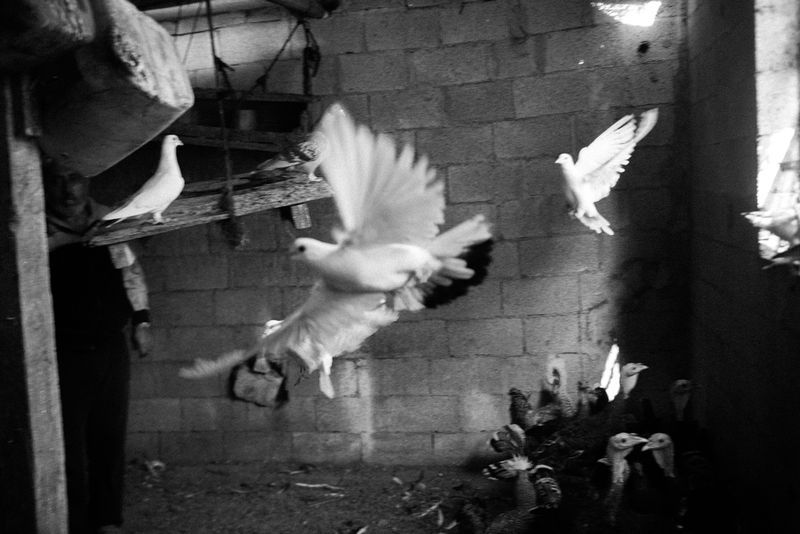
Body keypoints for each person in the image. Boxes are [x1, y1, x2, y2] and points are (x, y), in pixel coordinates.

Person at [43, 167, 152, 534]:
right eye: (57, 180)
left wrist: (141, 321)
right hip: (61, 353)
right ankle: (70, 521)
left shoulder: (108, 222)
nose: (67, 189)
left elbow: (130, 273)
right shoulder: (32, 226)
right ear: (44, 183)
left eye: (74, 179)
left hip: (109, 348)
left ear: (87, 182)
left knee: (109, 438)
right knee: (67, 446)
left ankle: (106, 519)